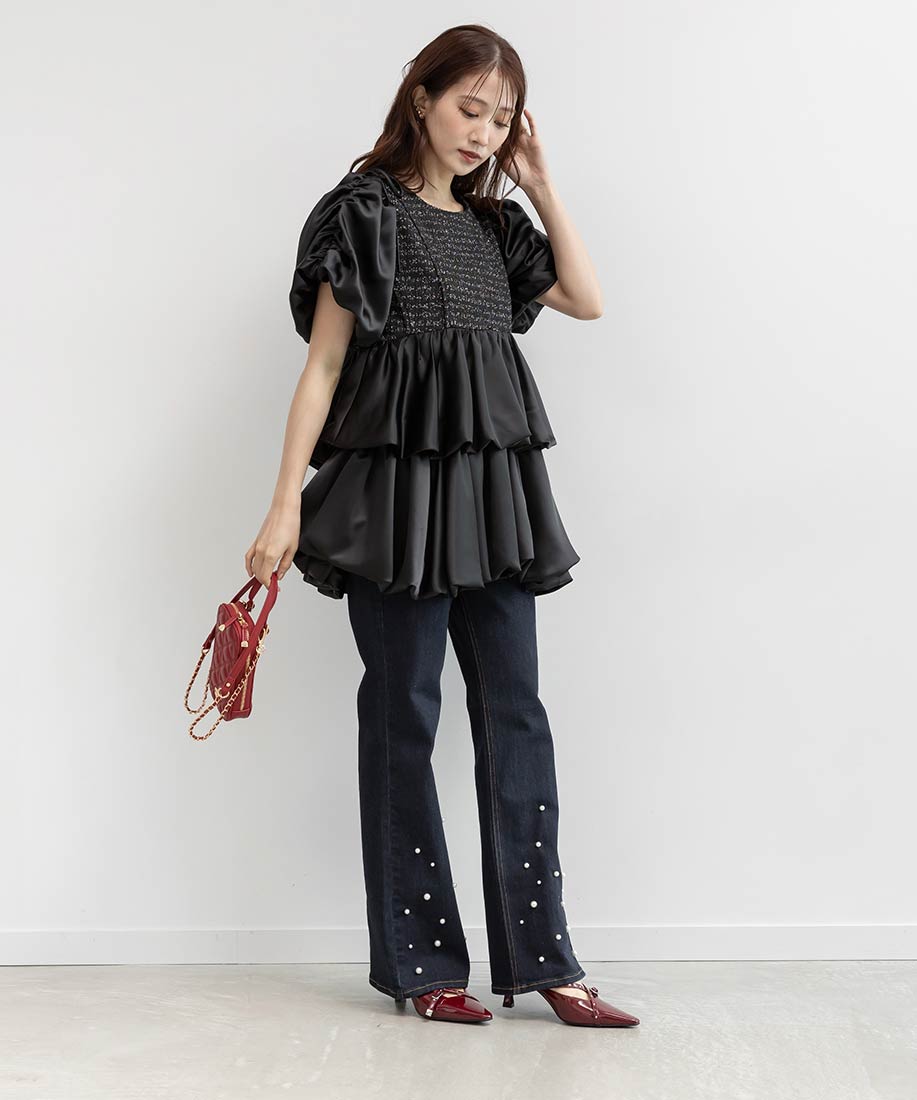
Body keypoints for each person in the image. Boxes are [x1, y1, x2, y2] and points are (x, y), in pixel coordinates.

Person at [245, 25, 640, 1029]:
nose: (482, 133)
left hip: (493, 499)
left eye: (500, 120)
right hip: (392, 505)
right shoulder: (363, 214)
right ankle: (423, 965)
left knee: (517, 715)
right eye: (469, 108)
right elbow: (323, 366)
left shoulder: (498, 227)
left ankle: (544, 960)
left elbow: (587, 299)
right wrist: (284, 503)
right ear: (419, 98)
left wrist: (539, 181)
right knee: (404, 718)